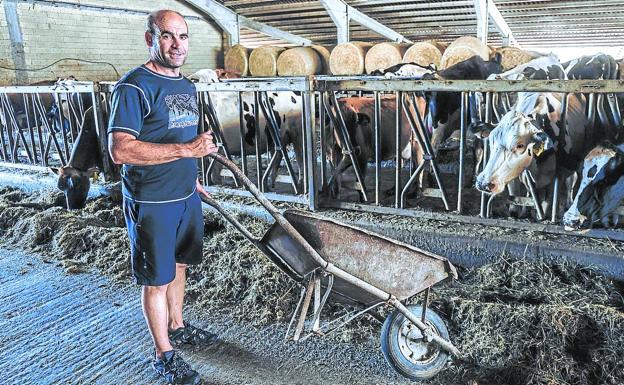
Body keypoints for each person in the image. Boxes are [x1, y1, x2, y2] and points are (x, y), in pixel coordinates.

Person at [108, 9, 217, 385]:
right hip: (152, 200)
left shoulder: (184, 85)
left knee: (180, 265)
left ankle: (178, 325)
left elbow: (180, 137)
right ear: (149, 38)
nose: (176, 45)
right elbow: (120, 150)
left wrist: (193, 176)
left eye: (183, 37)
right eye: (167, 36)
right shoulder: (134, 87)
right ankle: (163, 353)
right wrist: (187, 153)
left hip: (185, 194)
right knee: (156, 278)